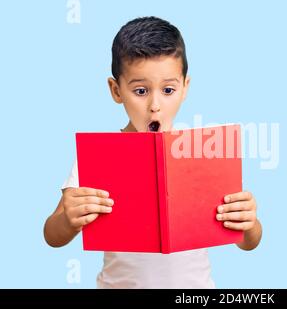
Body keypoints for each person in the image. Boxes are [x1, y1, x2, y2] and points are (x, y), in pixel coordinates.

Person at [44, 16, 262, 288]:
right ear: (116, 90)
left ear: (185, 88)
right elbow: (52, 235)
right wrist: (68, 220)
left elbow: (249, 242)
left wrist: (249, 222)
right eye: (141, 90)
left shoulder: (204, 152)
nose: (155, 105)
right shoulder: (98, 157)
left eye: (168, 89)